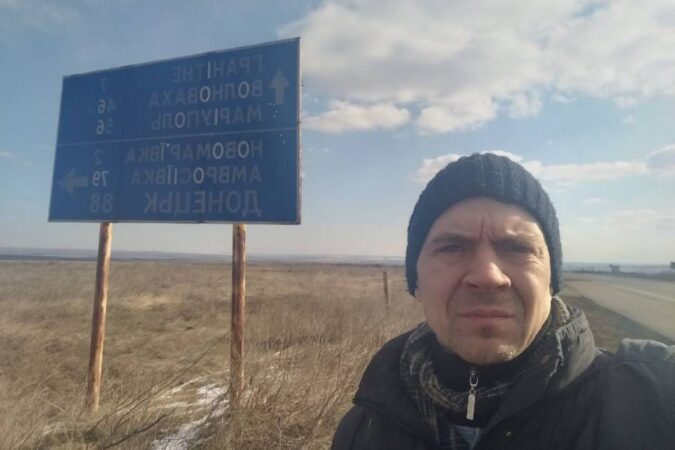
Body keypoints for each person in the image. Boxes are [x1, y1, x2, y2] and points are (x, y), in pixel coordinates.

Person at [331, 153, 675, 450]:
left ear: (551, 281)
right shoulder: (362, 432)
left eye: (517, 248)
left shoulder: (654, 399)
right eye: (452, 247)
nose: (488, 275)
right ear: (416, 281)